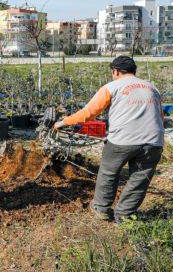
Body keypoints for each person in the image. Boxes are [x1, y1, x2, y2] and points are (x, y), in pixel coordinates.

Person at [54, 55, 164, 223]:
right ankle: (125, 215)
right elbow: (159, 116)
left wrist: (63, 122)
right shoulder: (152, 87)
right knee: (139, 179)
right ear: (134, 71)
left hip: (122, 141)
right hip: (154, 141)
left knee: (108, 173)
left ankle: (102, 209)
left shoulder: (112, 87)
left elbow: (89, 113)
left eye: (113, 72)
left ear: (116, 71)